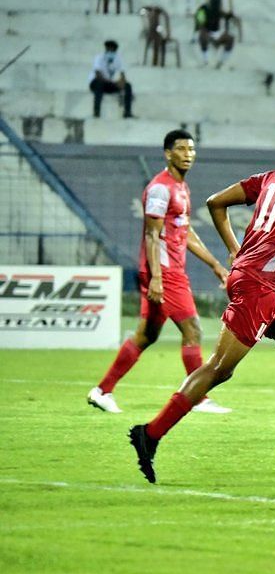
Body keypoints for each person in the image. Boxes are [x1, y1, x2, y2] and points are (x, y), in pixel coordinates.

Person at [127, 128, 275, 483]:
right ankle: (150, 434)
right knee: (219, 368)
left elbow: (215, 203)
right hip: (260, 285)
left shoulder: (274, 177)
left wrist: (236, 250)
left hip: (266, 284)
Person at [88, 130, 230, 415]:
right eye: (181, 149)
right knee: (193, 330)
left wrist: (215, 265)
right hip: (163, 272)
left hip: (170, 270)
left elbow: (185, 232)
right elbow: (152, 236)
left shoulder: (182, 188)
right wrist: (156, 278)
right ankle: (198, 398)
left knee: (147, 335)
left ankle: (102, 391)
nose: (188, 154)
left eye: (191, 149)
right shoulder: (160, 188)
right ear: (168, 153)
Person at [88, 40, 134, 119]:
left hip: (108, 84)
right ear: (106, 49)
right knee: (99, 84)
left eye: (112, 49)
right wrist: (112, 82)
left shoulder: (118, 58)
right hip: (96, 82)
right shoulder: (99, 57)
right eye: (108, 49)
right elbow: (98, 75)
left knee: (127, 86)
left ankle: (127, 112)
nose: (110, 51)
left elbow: (123, 75)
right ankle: (96, 112)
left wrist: (121, 82)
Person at [195, 0, 236, 69]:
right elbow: (200, 23)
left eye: (219, 0)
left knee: (230, 38)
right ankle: (206, 60)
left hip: (217, 34)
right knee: (203, 35)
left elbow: (229, 15)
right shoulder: (203, 9)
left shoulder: (219, 10)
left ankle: (222, 62)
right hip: (206, 33)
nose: (217, 1)